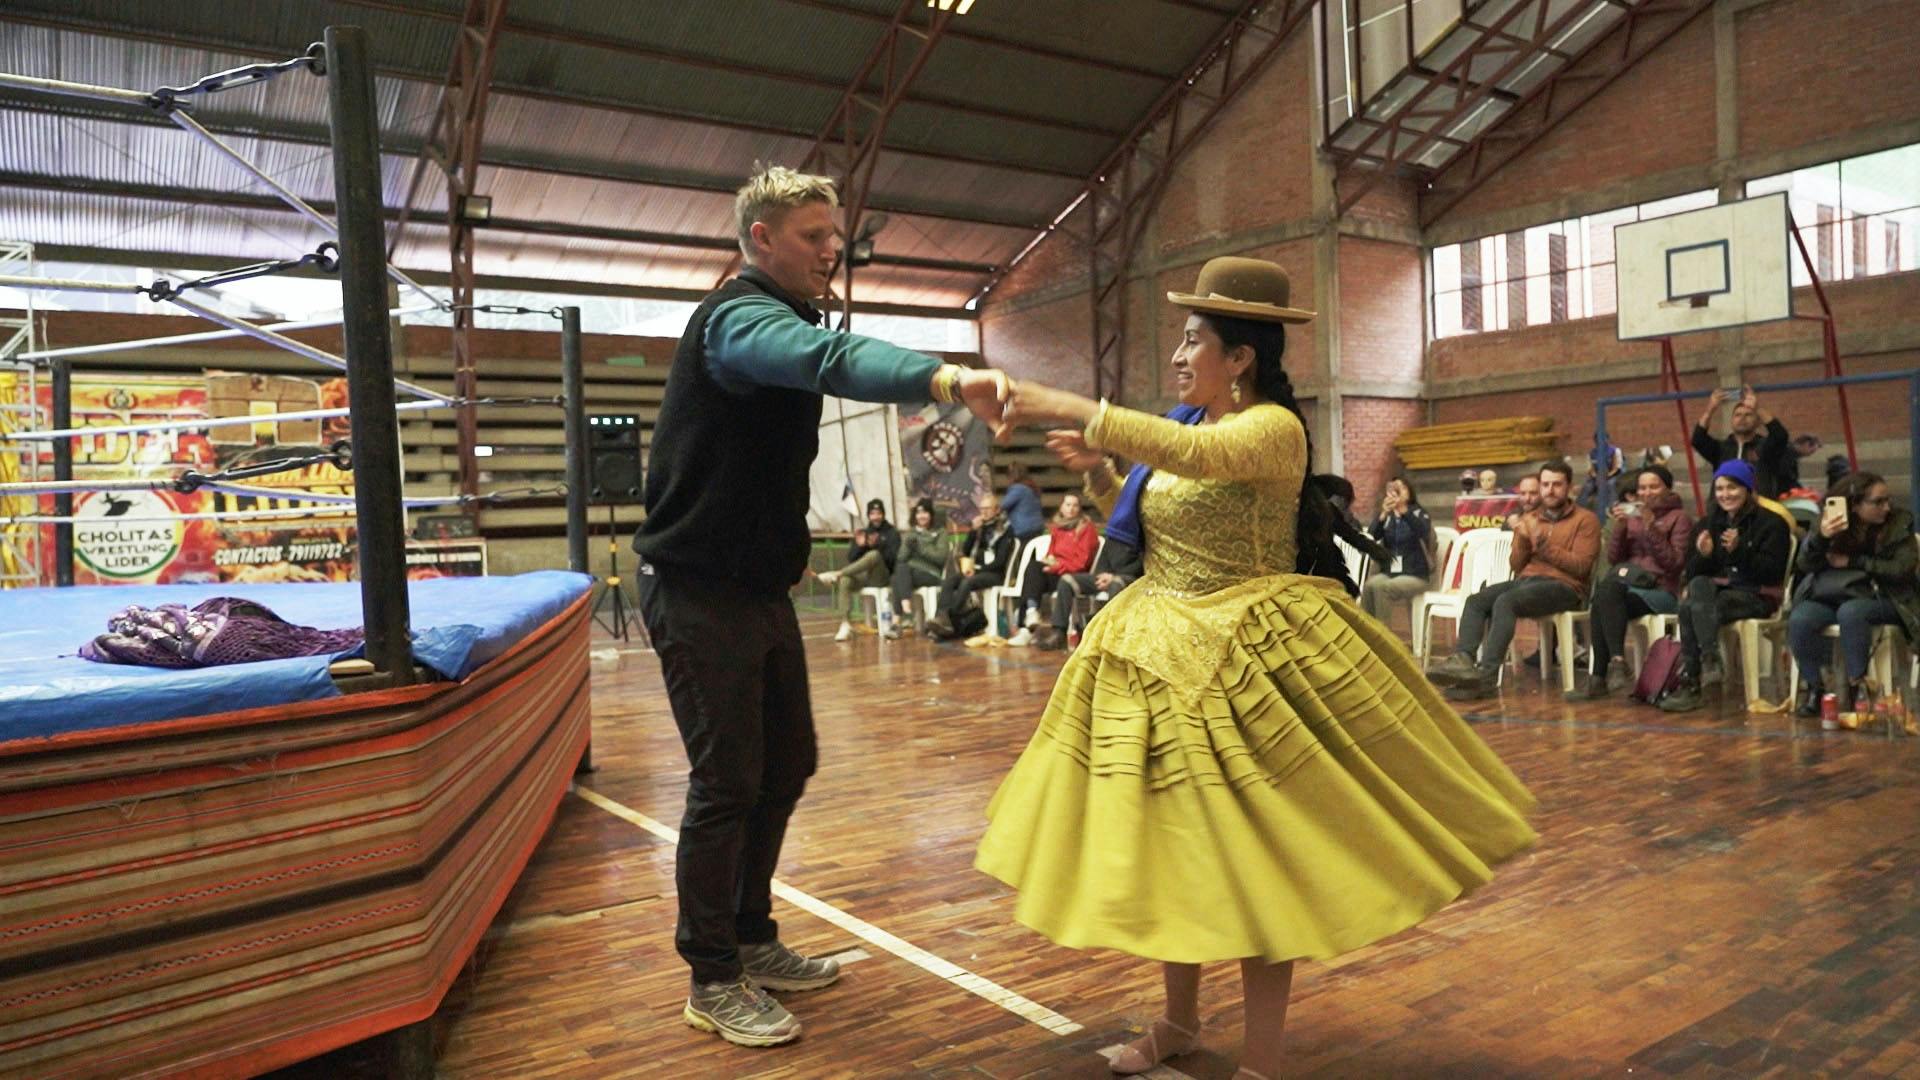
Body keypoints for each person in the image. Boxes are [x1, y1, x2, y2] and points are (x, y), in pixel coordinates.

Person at [973, 256, 1535, 1080]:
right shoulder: (1192, 427)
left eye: (1194, 340)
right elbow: (1157, 514)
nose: (1177, 354)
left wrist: (1082, 410)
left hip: (1244, 656)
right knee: (1177, 850)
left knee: (1257, 861)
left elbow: (1189, 464)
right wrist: (1096, 472)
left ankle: (1262, 1060)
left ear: (1241, 357)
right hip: (1158, 647)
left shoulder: (1270, 428)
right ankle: (1179, 1023)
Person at [631, 165, 1010, 1048]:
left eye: (836, 236)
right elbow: (828, 361)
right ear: (761, 239)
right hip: (696, 590)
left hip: (758, 593)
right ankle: (711, 975)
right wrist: (945, 379)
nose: (833, 252)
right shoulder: (738, 321)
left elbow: (823, 351)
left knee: (787, 763)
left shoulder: (791, 317)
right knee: (726, 782)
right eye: (813, 235)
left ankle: (753, 938)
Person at [1429, 461, 1600, 701]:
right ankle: (1463, 661)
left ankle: (1486, 678)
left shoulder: (1586, 520)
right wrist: (1520, 538)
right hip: (1529, 581)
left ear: (1570, 487)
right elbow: (1516, 566)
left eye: (1557, 485)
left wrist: (1541, 542)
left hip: (1566, 587)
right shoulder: (1532, 517)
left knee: (1506, 601)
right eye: (1545, 484)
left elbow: (1581, 567)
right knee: (1477, 600)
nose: (1550, 490)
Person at [1657, 460, 1792, 713]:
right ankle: (1709, 661)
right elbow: (1693, 572)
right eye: (1719, 489)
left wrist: (1740, 551)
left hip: (1757, 595)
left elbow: (1772, 572)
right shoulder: (1710, 523)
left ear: (1748, 489)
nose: (1725, 495)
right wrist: (1704, 555)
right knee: (1696, 590)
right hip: (1715, 595)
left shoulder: (1772, 523)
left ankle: (1693, 682)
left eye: (1732, 488)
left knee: (1689, 609)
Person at [1787, 472, 1916, 721]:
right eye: (1878, 502)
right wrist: (1821, 538)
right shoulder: (1830, 521)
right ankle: (1816, 689)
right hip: (1831, 594)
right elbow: (1804, 564)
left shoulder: (1899, 523)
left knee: (1852, 611)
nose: (1886, 507)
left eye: (1887, 500)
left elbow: (1902, 569)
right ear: (1855, 505)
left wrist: (1855, 561)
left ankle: (1858, 686)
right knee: (1801, 617)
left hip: (1886, 596)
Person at [1564, 466, 1692, 700]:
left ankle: (1607, 671)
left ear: (1667, 488)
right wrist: (1620, 528)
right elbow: (1615, 559)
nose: (1647, 492)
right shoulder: (1632, 517)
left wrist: (1651, 527)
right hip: (1630, 587)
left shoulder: (1679, 518)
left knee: (1607, 593)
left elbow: (1674, 563)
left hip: (1662, 590)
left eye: (1654, 487)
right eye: (1642, 488)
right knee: (1604, 594)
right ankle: (1606, 671)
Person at [1030, 526, 1142, 651]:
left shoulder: (1143, 537)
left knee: (1116, 583)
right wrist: (1102, 576)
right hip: (1105, 577)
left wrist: (1113, 577)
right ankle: (1059, 633)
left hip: (1131, 579)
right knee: (1067, 580)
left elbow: (1141, 566)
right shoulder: (1115, 535)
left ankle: (1103, 634)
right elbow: (1103, 562)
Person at [1008, 493, 1099, 646]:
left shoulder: (1086, 528)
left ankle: (1026, 625)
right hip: (1057, 571)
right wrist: (1048, 559)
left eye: (1075, 505)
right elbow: (1052, 551)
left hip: (1072, 575)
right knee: (1033, 568)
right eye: (1068, 505)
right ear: (1061, 507)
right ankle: (1031, 614)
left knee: (1033, 576)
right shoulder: (1057, 527)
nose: (1071, 509)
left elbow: (1082, 563)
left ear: (1080, 509)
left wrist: (1057, 566)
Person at [925, 490, 1017, 640]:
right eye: (982, 509)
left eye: (988, 509)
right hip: (977, 571)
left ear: (997, 509)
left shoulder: (1005, 529)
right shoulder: (981, 528)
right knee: (951, 581)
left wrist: (978, 569)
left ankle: (949, 621)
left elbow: (1000, 561)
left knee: (967, 583)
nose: (984, 512)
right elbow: (966, 551)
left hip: (995, 573)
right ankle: (941, 618)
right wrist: (973, 531)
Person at [1692, 385, 1797, 497]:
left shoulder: (1765, 447)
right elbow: (1698, 439)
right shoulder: (1721, 448)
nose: (1742, 418)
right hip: (1724, 510)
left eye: (1748, 415)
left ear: (1758, 422)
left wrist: (1757, 408)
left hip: (1758, 510)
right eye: (1738, 415)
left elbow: (1780, 435)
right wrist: (1710, 409)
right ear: (1731, 421)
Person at [817, 498, 899, 642]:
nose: (876, 516)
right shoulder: (864, 533)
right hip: (864, 576)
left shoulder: (892, 532)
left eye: (878, 513)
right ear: (868, 515)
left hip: (882, 576)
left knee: (874, 555)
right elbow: (852, 559)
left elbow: (894, 559)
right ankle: (845, 623)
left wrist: (877, 545)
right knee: (845, 580)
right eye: (872, 513)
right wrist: (861, 546)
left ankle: (837, 573)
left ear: (883, 514)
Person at [1361, 477, 1435, 629]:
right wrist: (1382, 514)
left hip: (1416, 575)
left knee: (1383, 587)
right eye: (1395, 489)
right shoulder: (1389, 516)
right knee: (1369, 585)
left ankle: (1384, 638)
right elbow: (1372, 536)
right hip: (1391, 572)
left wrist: (1404, 511)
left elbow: (1423, 532)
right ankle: (1366, 633)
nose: (1398, 492)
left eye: (1402, 488)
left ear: (1410, 492)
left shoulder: (1419, 513)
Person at [885, 498, 953, 636]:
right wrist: (907, 544)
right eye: (918, 512)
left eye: (925, 512)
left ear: (931, 515)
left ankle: (898, 620)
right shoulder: (911, 533)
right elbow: (901, 558)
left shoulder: (940, 533)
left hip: (932, 573)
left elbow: (940, 558)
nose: (921, 516)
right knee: (899, 572)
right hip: (910, 573)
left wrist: (920, 548)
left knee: (897, 578)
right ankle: (901, 613)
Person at [1001, 463, 1046, 542]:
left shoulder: (1018, 488)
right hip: (1038, 527)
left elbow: (1003, 505)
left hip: (1024, 529)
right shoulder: (1031, 486)